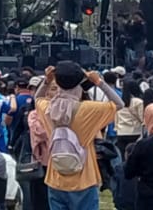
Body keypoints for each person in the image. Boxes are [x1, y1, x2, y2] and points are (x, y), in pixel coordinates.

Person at [33, 62, 121, 210]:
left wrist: (47, 80)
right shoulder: (88, 109)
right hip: (84, 178)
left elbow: (37, 98)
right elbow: (119, 104)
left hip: (56, 177)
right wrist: (99, 82)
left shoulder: (48, 108)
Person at [114, 78, 144, 158]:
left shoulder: (119, 102)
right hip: (135, 132)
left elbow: (116, 117)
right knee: (135, 156)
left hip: (121, 132)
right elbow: (142, 119)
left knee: (123, 156)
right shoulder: (138, 101)